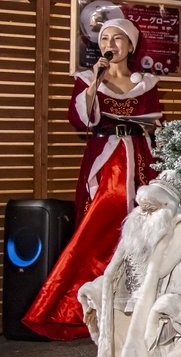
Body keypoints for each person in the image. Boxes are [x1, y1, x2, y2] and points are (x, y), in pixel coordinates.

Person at [22, 18, 162, 340]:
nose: (109, 44)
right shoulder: (89, 79)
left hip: (139, 157)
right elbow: (79, 119)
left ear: (130, 45)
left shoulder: (147, 83)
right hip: (107, 161)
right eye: (104, 39)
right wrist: (94, 84)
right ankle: (74, 306)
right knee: (98, 229)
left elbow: (155, 121)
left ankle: (133, 307)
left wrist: (151, 130)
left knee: (143, 228)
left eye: (117, 38)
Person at [78, 170, 181, 357]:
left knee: (145, 339)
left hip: (154, 296)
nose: (144, 212)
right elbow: (116, 268)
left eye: (152, 208)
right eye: (143, 207)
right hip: (127, 293)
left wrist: (173, 304)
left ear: (168, 208)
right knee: (121, 336)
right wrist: (98, 288)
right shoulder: (134, 228)